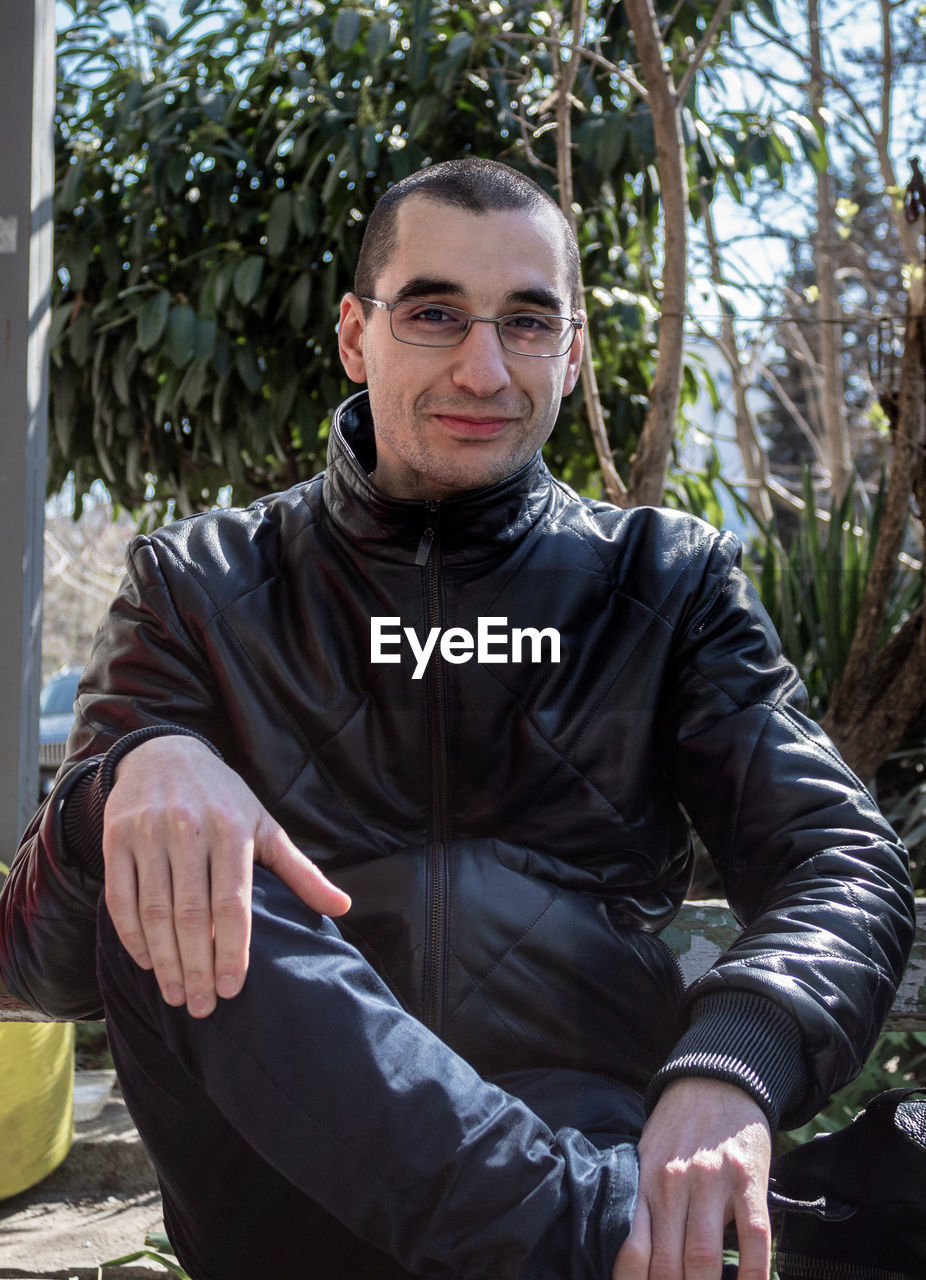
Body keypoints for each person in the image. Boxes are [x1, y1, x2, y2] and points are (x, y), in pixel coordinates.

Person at [0, 158, 914, 1280]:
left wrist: (731, 1062)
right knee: (176, 848)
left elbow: (841, 858)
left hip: (595, 1132)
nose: (483, 367)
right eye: (433, 312)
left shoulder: (663, 585)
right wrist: (124, 782)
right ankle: (593, 1234)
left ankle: (589, 1227)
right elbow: (31, 966)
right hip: (282, 1182)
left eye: (526, 322)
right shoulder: (198, 584)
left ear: (569, 349)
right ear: (353, 334)